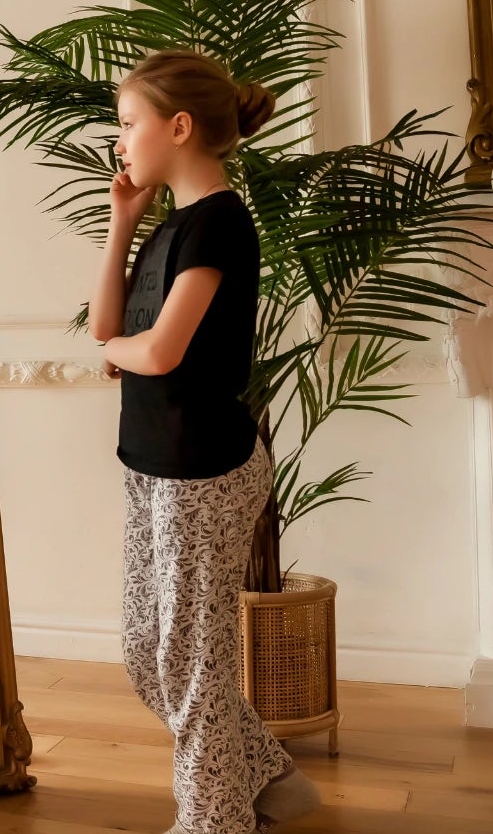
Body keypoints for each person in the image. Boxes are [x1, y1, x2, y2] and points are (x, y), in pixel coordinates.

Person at [88, 51, 321, 833]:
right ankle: (263, 773)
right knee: (147, 652)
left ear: (178, 126)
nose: (119, 140)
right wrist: (123, 219)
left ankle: (214, 821)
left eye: (128, 124)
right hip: (151, 462)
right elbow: (105, 327)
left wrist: (119, 353)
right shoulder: (166, 229)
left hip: (207, 469)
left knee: (187, 660)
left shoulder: (220, 222)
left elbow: (152, 351)